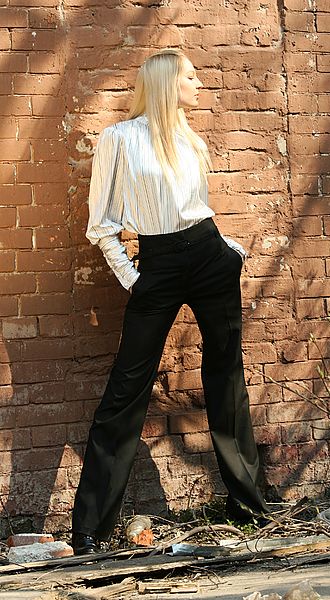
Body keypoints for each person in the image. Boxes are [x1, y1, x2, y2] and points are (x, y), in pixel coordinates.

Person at [71, 48, 271, 556]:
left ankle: (248, 503)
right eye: (190, 75)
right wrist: (133, 280)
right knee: (127, 387)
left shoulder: (188, 137)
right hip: (156, 266)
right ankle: (91, 527)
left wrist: (229, 251)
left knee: (226, 376)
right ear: (166, 83)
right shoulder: (119, 139)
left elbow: (196, 209)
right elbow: (103, 223)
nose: (199, 83)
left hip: (209, 256)